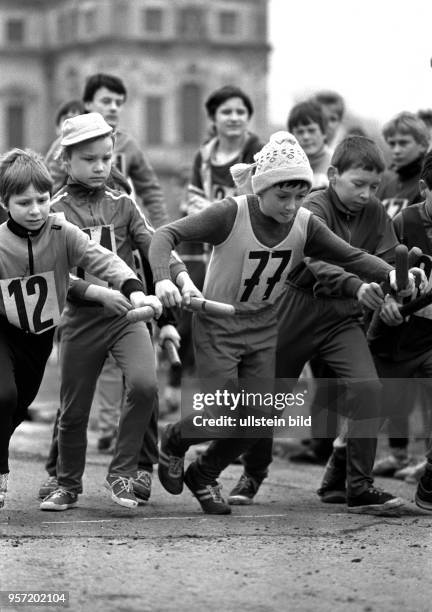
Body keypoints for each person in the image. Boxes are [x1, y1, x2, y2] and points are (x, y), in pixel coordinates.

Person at [148, 131, 414, 516]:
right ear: (261, 189)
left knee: (259, 417)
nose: (291, 206)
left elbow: (353, 257)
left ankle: (204, 474)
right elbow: (165, 234)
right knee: (224, 412)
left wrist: (392, 275)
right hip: (219, 324)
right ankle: (174, 440)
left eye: (299, 196)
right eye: (282, 196)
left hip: (263, 326)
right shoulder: (230, 212)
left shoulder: (305, 222)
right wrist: (161, 277)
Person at [39, 113, 187, 512]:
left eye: (107, 158)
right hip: (80, 320)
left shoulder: (124, 204)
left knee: (145, 386)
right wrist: (99, 295)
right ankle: (66, 483)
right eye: (90, 159)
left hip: (129, 319)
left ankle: (123, 473)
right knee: (74, 408)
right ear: (66, 161)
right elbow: (56, 277)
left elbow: (155, 244)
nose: (101, 166)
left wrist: (176, 277)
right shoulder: (52, 212)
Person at [0, 147, 152, 510]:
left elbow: (101, 258)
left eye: (42, 200)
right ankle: (3, 474)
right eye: (24, 202)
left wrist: (131, 287)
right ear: (5, 203)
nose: (36, 210)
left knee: (18, 407)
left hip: (37, 339)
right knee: (2, 397)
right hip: (3, 331)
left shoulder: (60, 230)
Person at [325, 151, 432, 506]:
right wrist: (387, 299)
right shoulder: (402, 222)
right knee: (371, 408)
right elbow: (379, 267)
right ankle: (343, 476)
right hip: (394, 336)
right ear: (423, 189)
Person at [167, 85, 264, 413]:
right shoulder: (205, 156)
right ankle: (209, 402)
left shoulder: (257, 150)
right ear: (214, 118)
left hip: (251, 250)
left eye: (240, 112)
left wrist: (224, 212)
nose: (234, 118)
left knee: (243, 324)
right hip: (213, 250)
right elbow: (193, 201)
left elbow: (262, 197)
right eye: (227, 112)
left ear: (249, 117)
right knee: (204, 323)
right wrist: (217, 214)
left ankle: (244, 404)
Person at [372, 111, 430, 478]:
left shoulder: (418, 186)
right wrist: (389, 297)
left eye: (403, 142)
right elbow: (384, 251)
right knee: (393, 380)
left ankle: (426, 458)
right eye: (390, 142)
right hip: (399, 301)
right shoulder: (391, 189)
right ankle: (396, 452)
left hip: (425, 311)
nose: (395, 149)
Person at [377, 111, 429, 219]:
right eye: (392, 144)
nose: (396, 150)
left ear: (423, 145)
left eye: (403, 143)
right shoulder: (385, 183)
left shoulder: (428, 183)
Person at [287, 99, 332, 191]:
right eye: (300, 132)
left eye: (311, 130)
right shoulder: (285, 166)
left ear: (324, 133)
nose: (306, 137)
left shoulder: (337, 163)